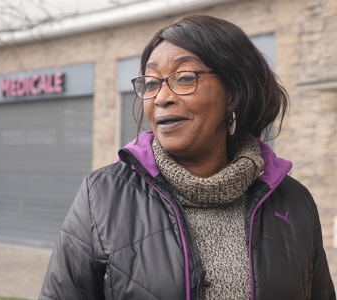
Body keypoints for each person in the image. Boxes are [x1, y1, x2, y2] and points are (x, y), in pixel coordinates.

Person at [38, 15, 335, 300]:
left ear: (233, 93)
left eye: (184, 78)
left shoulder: (294, 202)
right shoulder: (101, 196)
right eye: (152, 83)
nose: (161, 97)